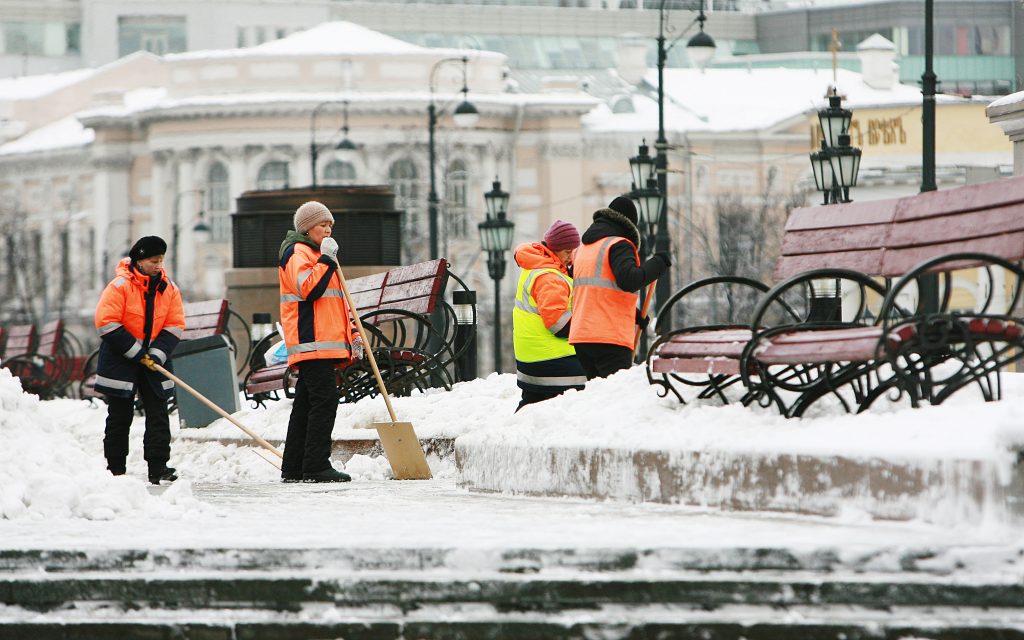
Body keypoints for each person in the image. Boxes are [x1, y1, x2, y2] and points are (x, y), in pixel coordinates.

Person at [94, 235, 185, 485]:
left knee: (158, 411)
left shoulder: (169, 288)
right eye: (153, 260)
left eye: (161, 260)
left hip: (154, 358)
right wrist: (136, 352)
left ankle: (158, 466)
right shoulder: (120, 286)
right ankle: (115, 469)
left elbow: (175, 324)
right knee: (120, 414)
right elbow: (106, 322)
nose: (158, 265)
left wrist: (156, 354)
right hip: (120, 357)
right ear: (140, 260)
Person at [278, 201, 354, 483]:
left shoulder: (316, 253)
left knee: (307, 403)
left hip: (323, 340)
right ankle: (316, 465)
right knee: (324, 400)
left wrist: (353, 335)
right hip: (311, 340)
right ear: (307, 228)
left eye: (330, 225)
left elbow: (336, 302)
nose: (328, 230)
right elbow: (309, 289)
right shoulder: (297, 252)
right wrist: (326, 261)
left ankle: (295, 466)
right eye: (323, 225)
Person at [569, 196, 671, 380]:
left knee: (598, 397)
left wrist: (632, 313)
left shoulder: (583, 249)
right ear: (630, 225)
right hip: (608, 338)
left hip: (582, 336)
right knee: (615, 400)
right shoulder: (619, 244)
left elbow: (596, 292)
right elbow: (629, 280)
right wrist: (658, 263)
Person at [511, 219, 588, 411]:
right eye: (567, 252)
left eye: (574, 250)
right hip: (551, 360)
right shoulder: (549, 278)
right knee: (600, 379)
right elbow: (559, 326)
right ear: (554, 249)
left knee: (531, 406)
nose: (572, 257)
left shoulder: (537, 267)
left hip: (532, 358)